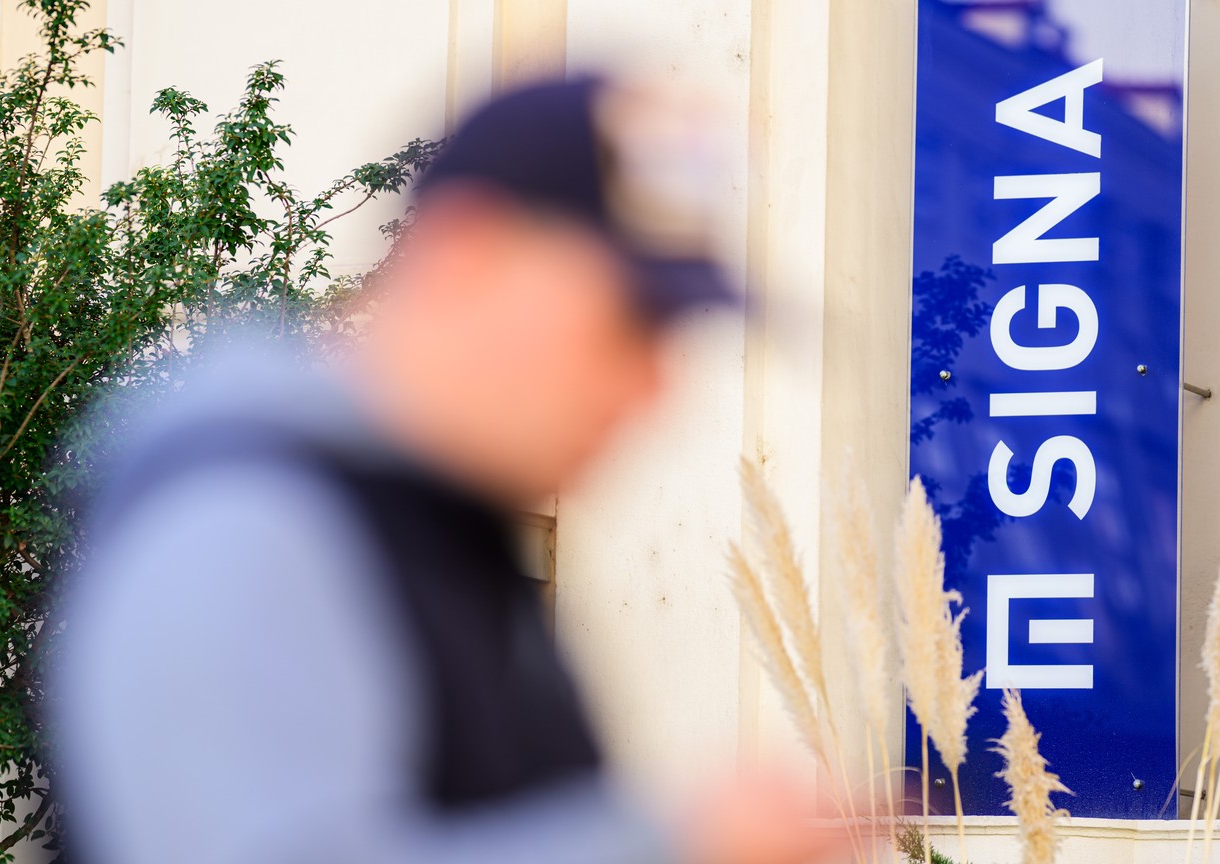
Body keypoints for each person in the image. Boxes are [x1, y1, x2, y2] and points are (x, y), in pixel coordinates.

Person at [54, 78, 836, 864]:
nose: (655, 385)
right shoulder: (236, 525)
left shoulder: (435, 536)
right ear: (468, 254)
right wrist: (666, 848)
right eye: (631, 320)